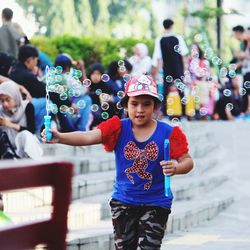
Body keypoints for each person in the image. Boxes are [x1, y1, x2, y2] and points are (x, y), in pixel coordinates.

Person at [42, 74, 194, 250]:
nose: (140, 110)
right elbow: (88, 136)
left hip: (156, 203)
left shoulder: (169, 132)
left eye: (146, 104)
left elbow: (188, 161)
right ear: (125, 105)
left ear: (155, 107)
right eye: (134, 104)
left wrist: (177, 167)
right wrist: (60, 137)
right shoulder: (117, 128)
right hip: (123, 202)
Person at [152, 18, 188, 116]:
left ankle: (164, 113)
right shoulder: (178, 38)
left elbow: (158, 58)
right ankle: (184, 114)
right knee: (181, 91)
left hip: (167, 69)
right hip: (178, 68)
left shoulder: (160, 40)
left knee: (165, 91)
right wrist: (185, 69)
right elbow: (183, 55)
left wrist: (158, 72)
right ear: (172, 26)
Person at [0, 81, 43, 159]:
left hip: (27, 146)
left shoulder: (27, 106)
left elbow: (31, 130)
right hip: (10, 150)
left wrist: (10, 125)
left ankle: (35, 165)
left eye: (8, 99)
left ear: (15, 96)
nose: (5, 104)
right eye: (2, 101)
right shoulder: (1, 111)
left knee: (25, 134)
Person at [54, 53, 92, 131]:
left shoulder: (54, 76)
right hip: (67, 116)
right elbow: (86, 90)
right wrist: (82, 69)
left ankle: (80, 129)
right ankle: (81, 130)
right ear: (68, 66)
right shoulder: (67, 78)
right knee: (87, 99)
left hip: (62, 115)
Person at [87, 62, 114, 128]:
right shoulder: (88, 86)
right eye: (93, 74)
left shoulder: (105, 86)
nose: (95, 76)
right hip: (90, 111)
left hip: (102, 113)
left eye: (98, 74)